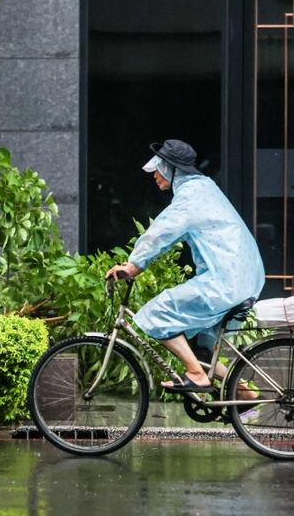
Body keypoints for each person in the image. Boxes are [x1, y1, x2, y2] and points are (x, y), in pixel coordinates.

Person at [105, 139, 265, 394]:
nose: (154, 175)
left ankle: (195, 375)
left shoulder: (191, 197)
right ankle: (244, 391)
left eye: (158, 168)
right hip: (244, 278)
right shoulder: (204, 188)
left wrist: (134, 265)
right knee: (203, 350)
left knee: (157, 313)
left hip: (226, 281)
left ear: (171, 168)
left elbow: (163, 231)